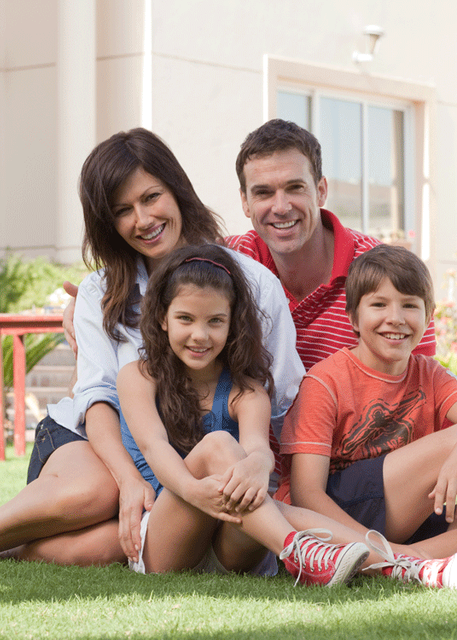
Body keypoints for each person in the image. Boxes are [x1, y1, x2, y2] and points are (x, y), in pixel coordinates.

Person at [0, 128, 305, 566]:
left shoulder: (252, 283)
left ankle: (14, 550)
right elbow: (97, 397)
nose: (142, 220)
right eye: (122, 211)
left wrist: (272, 477)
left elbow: (283, 399)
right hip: (94, 439)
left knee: (115, 546)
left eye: (151, 197)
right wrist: (126, 479)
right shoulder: (101, 292)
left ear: (177, 190)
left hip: (180, 467)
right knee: (98, 492)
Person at [116, 243, 371, 585]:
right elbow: (153, 446)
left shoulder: (247, 390)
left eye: (215, 321)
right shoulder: (139, 376)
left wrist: (259, 464)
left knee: (251, 480)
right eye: (185, 319)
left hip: (230, 543)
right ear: (163, 318)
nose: (199, 335)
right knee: (222, 448)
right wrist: (192, 490)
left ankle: (396, 565)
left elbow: (257, 448)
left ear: (232, 324)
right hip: (165, 539)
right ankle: (306, 554)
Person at [275, 244, 457, 572]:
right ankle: (389, 558)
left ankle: (410, 561)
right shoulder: (325, 381)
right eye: (379, 304)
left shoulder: (428, 373)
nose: (396, 318)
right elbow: (306, 496)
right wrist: (370, 545)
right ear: (353, 317)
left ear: (428, 317)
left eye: (409, 305)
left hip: (406, 514)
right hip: (337, 515)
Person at [227, 119, 436, 372]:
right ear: (245, 201)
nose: (281, 207)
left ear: (321, 191)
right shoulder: (229, 261)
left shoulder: (387, 273)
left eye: (295, 188)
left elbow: (420, 384)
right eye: (263, 193)